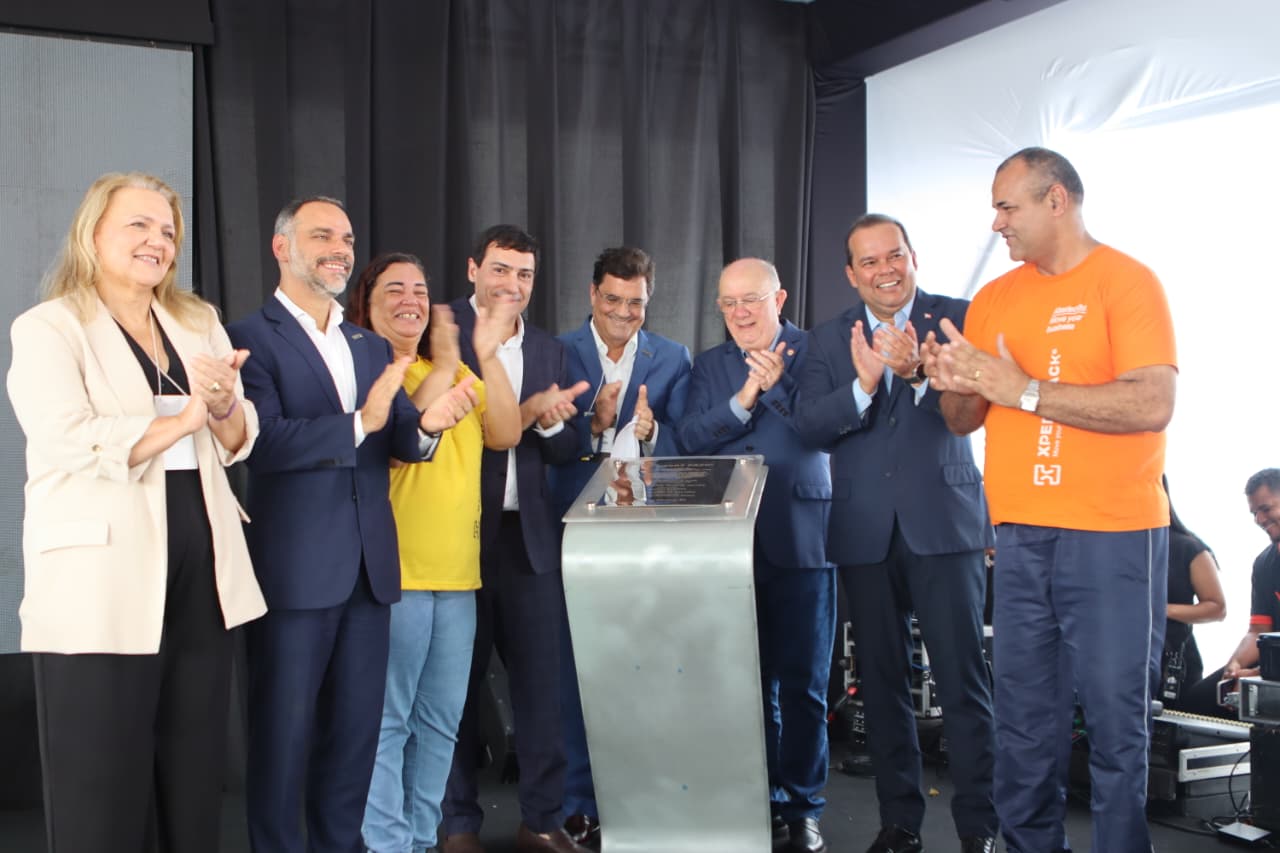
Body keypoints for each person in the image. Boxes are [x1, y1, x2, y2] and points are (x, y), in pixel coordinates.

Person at [925, 147, 1177, 853]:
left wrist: (1026, 390)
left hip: (1113, 534)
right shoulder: (995, 298)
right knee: (1024, 723)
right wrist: (958, 382)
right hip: (1021, 536)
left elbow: (1152, 403)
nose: (996, 222)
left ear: (1056, 200)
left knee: (1116, 723)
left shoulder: (1127, 281)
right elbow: (961, 419)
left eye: (1008, 206)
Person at [6, 172, 267, 853]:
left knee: (192, 773)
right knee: (100, 784)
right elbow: (65, 436)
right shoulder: (48, 327)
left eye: (168, 231)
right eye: (139, 225)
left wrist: (223, 407)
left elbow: (237, 439)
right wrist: (181, 421)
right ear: (93, 233)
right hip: (99, 578)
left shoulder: (197, 322)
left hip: (202, 569)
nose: (158, 241)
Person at [228, 198, 479, 853]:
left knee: (354, 742)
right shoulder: (248, 336)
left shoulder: (367, 346)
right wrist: (358, 423)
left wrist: (428, 426)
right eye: (322, 236)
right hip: (295, 575)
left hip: (371, 576)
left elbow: (397, 437)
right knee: (283, 741)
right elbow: (261, 442)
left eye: (345, 238)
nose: (340, 248)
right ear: (282, 247)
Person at [794, 216, 997, 853]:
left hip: (945, 525)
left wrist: (915, 375)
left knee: (964, 685)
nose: (885, 269)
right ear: (851, 274)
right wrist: (862, 387)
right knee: (881, 690)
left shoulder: (958, 317)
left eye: (894, 255)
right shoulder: (827, 339)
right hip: (863, 532)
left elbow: (977, 408)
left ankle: (981, 829)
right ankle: (900, 824)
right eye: (869, 261)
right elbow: (809, 428)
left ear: (912, 257)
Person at [346, 253, 522, 853]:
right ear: (367, 302)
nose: (411, 300)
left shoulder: (452, 367)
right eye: (394, 289)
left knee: (442, 723)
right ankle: (387, 843)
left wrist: (486, 356)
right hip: (397, 575)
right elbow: (403, 442)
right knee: (389, 722)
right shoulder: (370, 369)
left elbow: (504, 433)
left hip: (458, 576)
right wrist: (447, 363)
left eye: (420, 290)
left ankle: (421, 840)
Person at [441, 225, 591, 853]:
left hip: (528, 542)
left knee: (541, 690)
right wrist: (522, 416)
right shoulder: (441, 331)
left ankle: (542, 820)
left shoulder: (552, 350)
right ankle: (456, 825)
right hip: (453, 538)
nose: (512, 284)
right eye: (500, 269)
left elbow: (572, 448)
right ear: (473, 268)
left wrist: (552, 425)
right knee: (452, 690)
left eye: (524, 274)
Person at [677, 258, 835, 853]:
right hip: (727, 545)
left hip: (803, 538)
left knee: (804, 686)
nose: (740, 312)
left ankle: (803, 807)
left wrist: (780, 388)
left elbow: (825, 430)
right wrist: (744, 398)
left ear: (780, 299)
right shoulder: (709, 366)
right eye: (728, 303)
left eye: (751, 299)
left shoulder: (818, 353)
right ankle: (757, 800)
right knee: (745, 685)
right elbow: (690, 438)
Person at [548, 246, 691, 847]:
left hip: (644, 535)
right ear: (592, 295)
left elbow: (687, 447)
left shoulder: (673, 357)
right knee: (575, 669)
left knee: (644, 666)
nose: (624, 313)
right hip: (569, 527)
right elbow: (541, 444)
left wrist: (654, 435)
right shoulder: (556, 353)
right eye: (613, 299)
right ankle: (580, 803)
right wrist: (594, 425)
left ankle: (642, 797)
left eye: (636, 303)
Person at [1181, 468, 1280, 717]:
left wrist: (1256, 674)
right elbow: (1258, 631)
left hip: (1272, 670)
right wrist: (1235, 666)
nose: (1259, 519)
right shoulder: (1265, 564)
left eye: (1266, 509)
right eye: (1254, 513)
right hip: (1272, 664)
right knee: (1194, 704)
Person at [1160, 478, 1226, 711]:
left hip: (1171, 666)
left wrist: (1159, 610)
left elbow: (1217, 607)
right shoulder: (1111, 546)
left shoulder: (1187, 547)